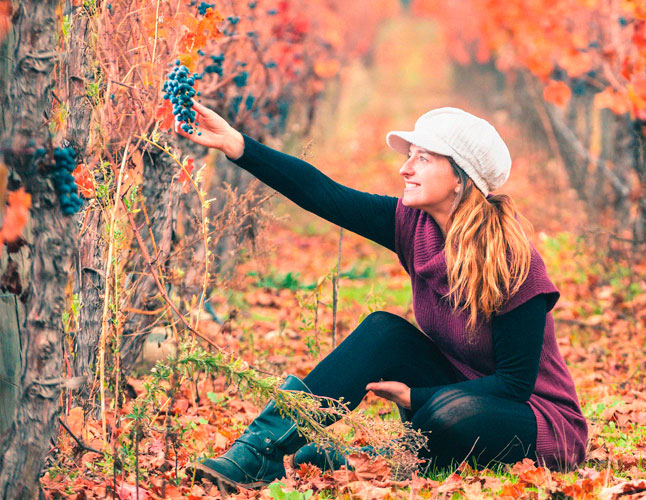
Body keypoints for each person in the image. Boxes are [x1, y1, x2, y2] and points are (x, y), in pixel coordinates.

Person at [177, 103, 588, 490]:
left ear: (462, 178)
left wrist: (418, 398)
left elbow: (515, 384)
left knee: (447, 415)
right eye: (410, 155)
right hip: (456, 393)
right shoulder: (413, 225)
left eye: (423, 159)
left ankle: (373, 457)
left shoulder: (513, 261)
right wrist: (239, 146)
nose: (405, 168)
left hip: (532, 417)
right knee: (382, 330)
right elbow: (324, 194)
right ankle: (260, 449)